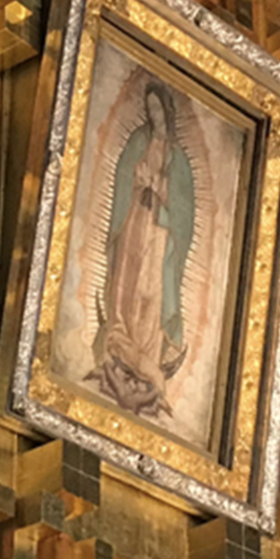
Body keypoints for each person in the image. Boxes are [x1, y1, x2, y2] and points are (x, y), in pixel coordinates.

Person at [87, 80, 195, 419]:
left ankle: (147, 351)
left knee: (152, 288)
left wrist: (161, 192)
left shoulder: (178, 159)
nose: (152, 115)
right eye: (148, 109)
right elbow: (124, 175)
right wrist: (139, 183)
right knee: (127, 282)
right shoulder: (138, 140)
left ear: (167, 111)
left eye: (157, 109)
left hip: (160, 229)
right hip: (135, 220)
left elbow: (184, 207)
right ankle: (120, 339)